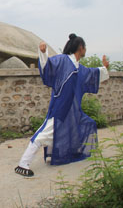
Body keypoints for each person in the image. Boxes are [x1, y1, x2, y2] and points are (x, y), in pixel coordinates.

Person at [14, 34, 109, 177]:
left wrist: (104, 69)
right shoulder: (62, 60)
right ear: (80, 48)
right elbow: (47, 67)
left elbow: (92, 74)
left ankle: (67, 153)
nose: (85, 50)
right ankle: (22, 164)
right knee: (43, 135)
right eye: (85, 47)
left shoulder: (80, 69)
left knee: (87, 123)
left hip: (73, 111)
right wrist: (43, 53)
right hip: (60, 108)